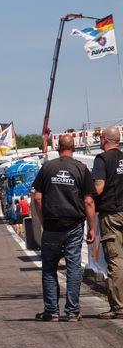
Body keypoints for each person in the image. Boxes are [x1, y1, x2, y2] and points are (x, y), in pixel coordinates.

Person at [32, 134, 96, 322]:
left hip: (52, 225)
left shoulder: (47, 167)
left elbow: (37, 198)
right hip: (73, 225)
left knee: (49, 269)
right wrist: (91, 227)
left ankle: (51, 311)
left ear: (58, 147)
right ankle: (72, 311)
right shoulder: (81, 169)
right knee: (73, 267)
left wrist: (44, 222)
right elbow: (89, 201)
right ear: (74, 147)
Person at [92, 127, 123, 319]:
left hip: (111, 214)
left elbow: (99, 188)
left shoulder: (102, 160)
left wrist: (86, 195)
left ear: (104, 140)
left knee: (115, 260)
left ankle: (119, 307)